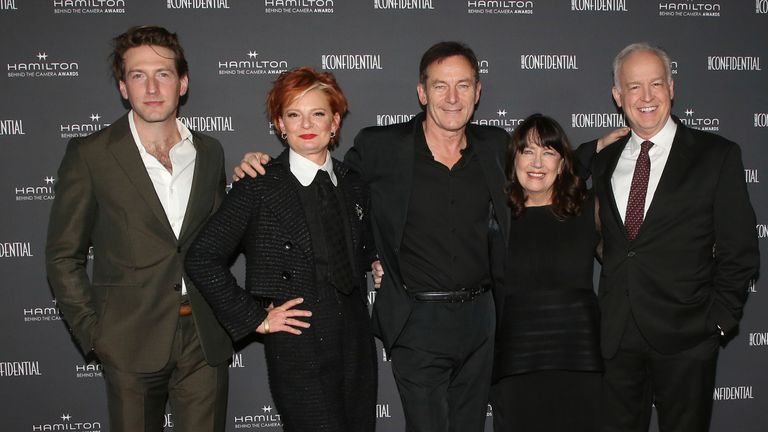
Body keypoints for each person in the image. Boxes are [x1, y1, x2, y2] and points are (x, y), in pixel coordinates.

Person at [235, 42, 510, 432]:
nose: (452, 97)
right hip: (417, 320)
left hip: (481, 320)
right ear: (421, 92)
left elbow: (551, 174)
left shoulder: (496, 146)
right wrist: (260, 163)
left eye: (463, 85)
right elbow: (329, 187)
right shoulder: (382, 147)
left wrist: (598, 150)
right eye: (440, 86)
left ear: (477, 93)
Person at [45, 26, 231, 432]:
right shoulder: (91, 155)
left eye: (163, 74)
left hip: (203, 337)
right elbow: (63, 256)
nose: (151, 87)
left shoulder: (210, 152)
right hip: (128, 340)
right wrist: (96, 335)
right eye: (137, 75)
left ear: (182, 83)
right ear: (123, 87)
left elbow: (217, 244)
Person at [185, 67, 377, 432]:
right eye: (294, 114)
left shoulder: (353, 184)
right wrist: (257, 318)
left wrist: (377, 259)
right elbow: (202, 257)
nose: (307, 123)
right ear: (279, 124)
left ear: (334, 122)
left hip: (355, 338)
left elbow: (363, 248)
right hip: (299, 343)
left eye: (318, 113)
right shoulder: (259, 185)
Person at [580, 42, 759, 432]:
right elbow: (612, 240)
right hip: (617, 337)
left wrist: (717, 323)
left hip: (687, 338)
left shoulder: (715, 155)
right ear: (617, 96)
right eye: (634, 87)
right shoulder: (605, 160)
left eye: (656, 84)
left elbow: (740, 250)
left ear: (671, 88)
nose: (646, 97)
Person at [491, 113, 603, 432]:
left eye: (548, 152)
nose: (537, 162)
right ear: (513, 159)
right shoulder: (496, 218)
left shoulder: (588, 209)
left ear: (562, 163)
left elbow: (632, 260)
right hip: (515, 366)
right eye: (527, 151)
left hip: (579, 363)